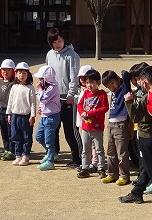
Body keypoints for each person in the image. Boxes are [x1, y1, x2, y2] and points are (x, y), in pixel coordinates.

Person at [118, 65, 152, 205]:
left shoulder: (145, 99)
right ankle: (137, 192)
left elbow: (135, 117)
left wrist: (129, 102)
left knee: (151, 167)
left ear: (145, 82)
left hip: (146, 137)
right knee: (149, 166)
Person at [45, 28, 81, 168]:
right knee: (53, 129)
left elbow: (74, 77)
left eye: (60, 41)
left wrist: (71, 95)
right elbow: (47, 75)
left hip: (67, 99)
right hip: (53, 98)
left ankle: (77, 158)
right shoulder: (49, 55)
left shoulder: (72, 55)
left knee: (70, 131)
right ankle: (53, 154)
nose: (58, 44)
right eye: (54, 42)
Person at [101, 69, 133, 185]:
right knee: (110, 151)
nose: (112, 87)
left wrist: (120, 78)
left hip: (121, 124)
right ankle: (112, 174)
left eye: (112, 83)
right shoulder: (113, 92)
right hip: (111, 123)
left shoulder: (124, 88)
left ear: (117, 80)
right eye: (108, 86)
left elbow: (125, 74)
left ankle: (124, 175)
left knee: (121, 152)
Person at [76, 69, 108, 178]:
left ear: (98, 82)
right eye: (87, 82)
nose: (89, 85)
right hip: (86, 126)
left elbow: (105, 108)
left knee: (99, 149)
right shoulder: (85, 93)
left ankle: (101, 167)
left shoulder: (102, 94)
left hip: (97, 127)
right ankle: (85, 167)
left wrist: (90, 113)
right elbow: (79, 105)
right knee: (85, 149)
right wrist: (82, 112)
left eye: (91, 82)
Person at [7, 62, 37, 165]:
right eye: (19, 73)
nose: (21, 75)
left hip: (26, 116)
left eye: (24, 73)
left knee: (26, 136)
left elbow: (33, 103)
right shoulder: (14, 87)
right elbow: (10, 101)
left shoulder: (30, 88)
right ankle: (18, 155)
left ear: (28, 75)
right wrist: (9, 114)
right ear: (16, 74)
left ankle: (25, 156)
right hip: (15, 115)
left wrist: (32, 116)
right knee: (15, 135)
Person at [34, 64, 61, 170]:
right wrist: (40, 108)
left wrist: (39, 89)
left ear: (46, 78)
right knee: (39, 136)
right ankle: (52, 153)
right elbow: (43, 102)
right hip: (44, 116)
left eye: (41, 79)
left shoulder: (53, 87)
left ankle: (50, 161)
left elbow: (43, 99)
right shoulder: (46, 87)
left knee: (49, 140)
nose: (39, 81)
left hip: (52, 117)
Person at [0, 59, 17, 161]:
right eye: (3, 69)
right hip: (1, 109)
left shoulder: (14, 83)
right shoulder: (0, 82)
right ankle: (6, 148)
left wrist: (10, 112)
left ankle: (12, 150)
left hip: (10, 111)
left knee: (10, 131)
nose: (5, 72)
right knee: (3, 130)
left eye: (8, 70)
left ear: (13, 71)